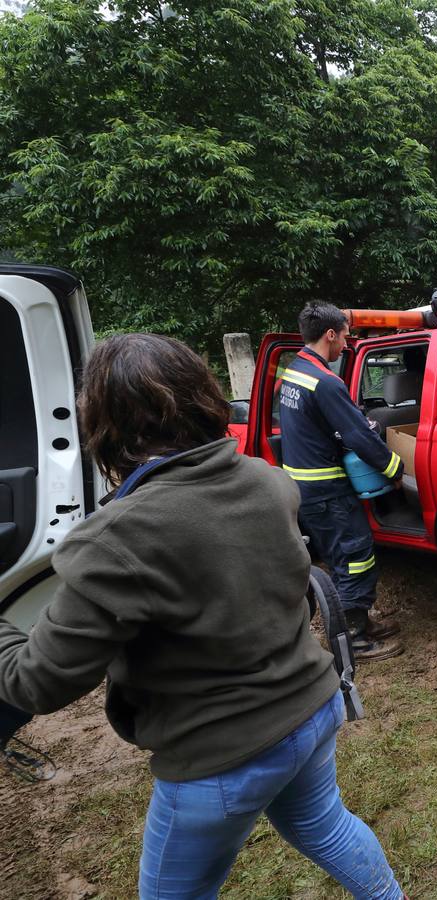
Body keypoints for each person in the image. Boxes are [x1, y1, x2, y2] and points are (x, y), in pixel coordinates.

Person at [0, 334, 402, 899]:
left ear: (104, 425)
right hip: (312, 710)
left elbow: (33, 682)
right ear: (205, 398)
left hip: (223, 757)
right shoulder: (268, 481)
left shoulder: (118, 537)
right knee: (325, 824)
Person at [282, 303, 404, 661]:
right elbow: (358, 437)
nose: (348, 344)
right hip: (327, 489)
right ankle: (353, 638)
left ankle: (358, 621)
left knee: (339, 557)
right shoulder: (325, 382)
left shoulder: (294, 372)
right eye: (346, 336)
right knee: (355, 555)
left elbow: (316, 426)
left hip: (304, 487)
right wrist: (395, 469)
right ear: (330, 334)